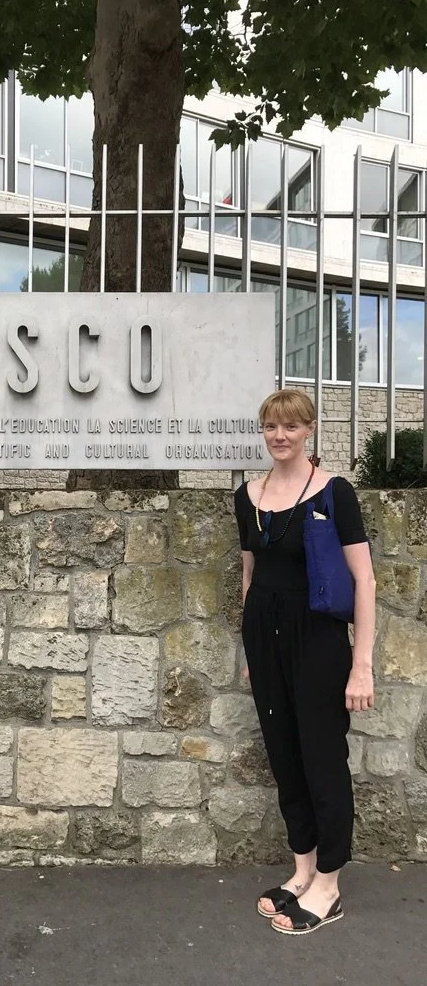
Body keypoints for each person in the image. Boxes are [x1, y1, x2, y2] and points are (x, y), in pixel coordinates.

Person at [233, 388, 376, 936]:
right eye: (271, 426)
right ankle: (302, 870)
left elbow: (363, 579)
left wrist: (360, 665)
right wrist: (252, 654)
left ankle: (330, 885)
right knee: (285, 757)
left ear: (309, 430)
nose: (280, 436)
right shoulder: (247, 497)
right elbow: (250, 577)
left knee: (321, 759)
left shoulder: (335, 494)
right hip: (265, 643)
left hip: (317, 644)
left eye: (291, 426)